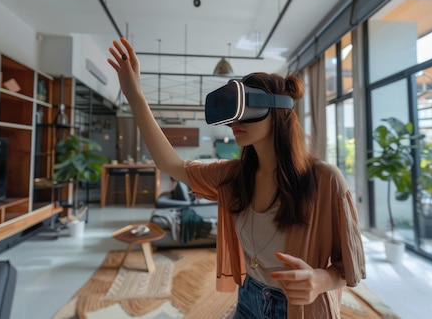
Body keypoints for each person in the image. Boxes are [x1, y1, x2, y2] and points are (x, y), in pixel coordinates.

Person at [107, 37, 365, 319]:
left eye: (246, 109)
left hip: (296, 309)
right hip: (248, 298)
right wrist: (134, 94)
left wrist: (320, 281)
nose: (234, 123)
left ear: (277, 112)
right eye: (232, 113)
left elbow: (348, 267)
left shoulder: (325, 180)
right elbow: (170, 164)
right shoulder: (233, 176)